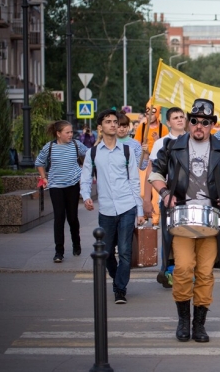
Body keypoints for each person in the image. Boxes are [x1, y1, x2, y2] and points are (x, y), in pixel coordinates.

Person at [149, 98, 220, 343]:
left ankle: (199, 324)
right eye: (194, 121)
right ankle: (183, 321)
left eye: (204, 122)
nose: (198, 125)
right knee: (182, 269)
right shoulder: (172, 146)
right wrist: (165, 193)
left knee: (204, 273)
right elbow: (156, 173)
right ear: (189, 122)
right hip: (180, 217)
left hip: (212, 219)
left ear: (212, 124)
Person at [80, 109, 145, 304]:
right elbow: (85, 178)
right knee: (106, 251)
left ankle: (120, 289)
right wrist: (86, 197)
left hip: (127, 206)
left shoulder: (126, 151)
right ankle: (118, 279)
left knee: (125, 250)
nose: (113, 125)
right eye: (108, 122)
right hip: (106, 208)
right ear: (100, 127)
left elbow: (135, 181)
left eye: (115, 121)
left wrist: (139, 210)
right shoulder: (92, 153)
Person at [35, 120, 87, 262]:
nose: (70, 135)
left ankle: (76, 244)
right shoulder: (50, 147)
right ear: (58, 134)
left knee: (72, 217)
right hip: (56, 186)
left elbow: (90, 155)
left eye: (71, 132)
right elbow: (39, 162)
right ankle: (59, 252)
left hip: (72, 185)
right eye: (67, 132)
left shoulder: (76, 145)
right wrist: (44, 177)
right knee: (59, 217)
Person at [148, 107, 187, 288]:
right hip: (169, 198)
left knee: (188, 236)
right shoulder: (162, 143)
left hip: (191, 198)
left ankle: (186, 271)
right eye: (175, 117)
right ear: (168, 122)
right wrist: (159, 195)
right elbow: (155, 173)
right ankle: (167, 271)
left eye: (182, 117)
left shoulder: (193, 139)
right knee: (168, 236)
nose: (180, 120)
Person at [135, 103, 169, 227]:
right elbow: (136, 144)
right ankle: (143, 215)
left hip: (156, 163)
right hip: (144, 162)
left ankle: (155, 219)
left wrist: (157, 140)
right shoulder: (142, 127)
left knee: (156, 194)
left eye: (152, 112)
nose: (150, 114)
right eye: (147, 111)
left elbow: (166, 146)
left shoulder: (163, 128)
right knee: (143, 192)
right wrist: (141, 148)